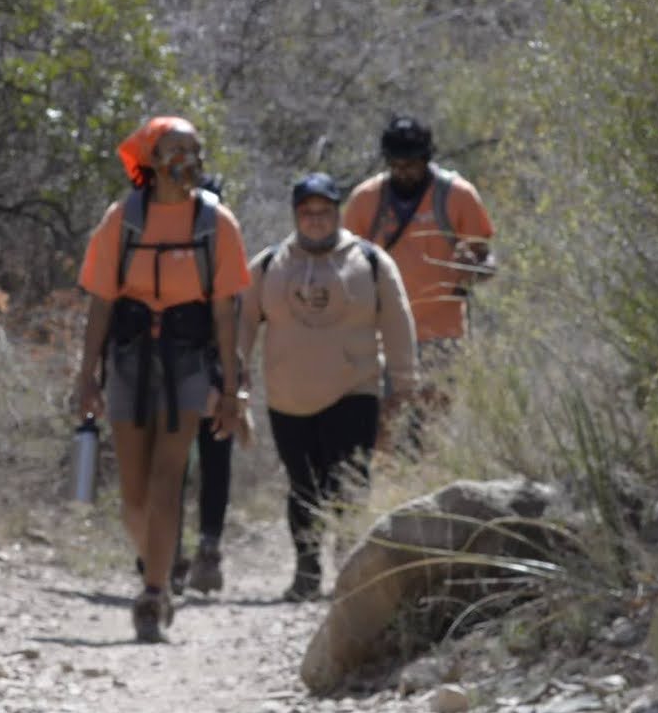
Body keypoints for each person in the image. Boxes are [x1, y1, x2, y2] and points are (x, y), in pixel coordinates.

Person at [68, 114, 246, 642]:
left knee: (169, 481)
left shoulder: (218, 225)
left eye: (194, 149)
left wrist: (232, 388)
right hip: (127, 361)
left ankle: (152, 593)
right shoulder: (121, 221)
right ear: (150, 159)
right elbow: (100, 305)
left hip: (188, 363)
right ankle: (160, 563)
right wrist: (86, 378)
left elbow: (225, 315)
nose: (187, 161)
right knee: (133, 494)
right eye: (175, 150)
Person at [254, 170, 418, 600]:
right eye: (307, 212)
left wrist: (404, 383)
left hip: (354, 388)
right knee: (303, 486)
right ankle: (306, 571)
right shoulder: (270, 265)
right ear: (295, 215)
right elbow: (237, 325)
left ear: (337, 213)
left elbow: (398, 323)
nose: (315, 220)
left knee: (349, 481)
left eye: (324, 211)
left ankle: (349, 570)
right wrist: (231, 385)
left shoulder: (370, 262)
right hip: (288, 394)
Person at [358, 112, 497, 357]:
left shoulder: (458, 195)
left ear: (426, 158)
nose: (402, 172)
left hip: (444, 337)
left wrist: (473, 268)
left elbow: (488, 262)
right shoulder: (365, 199)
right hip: (382, 339)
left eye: (410, 164)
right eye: (395, 165)